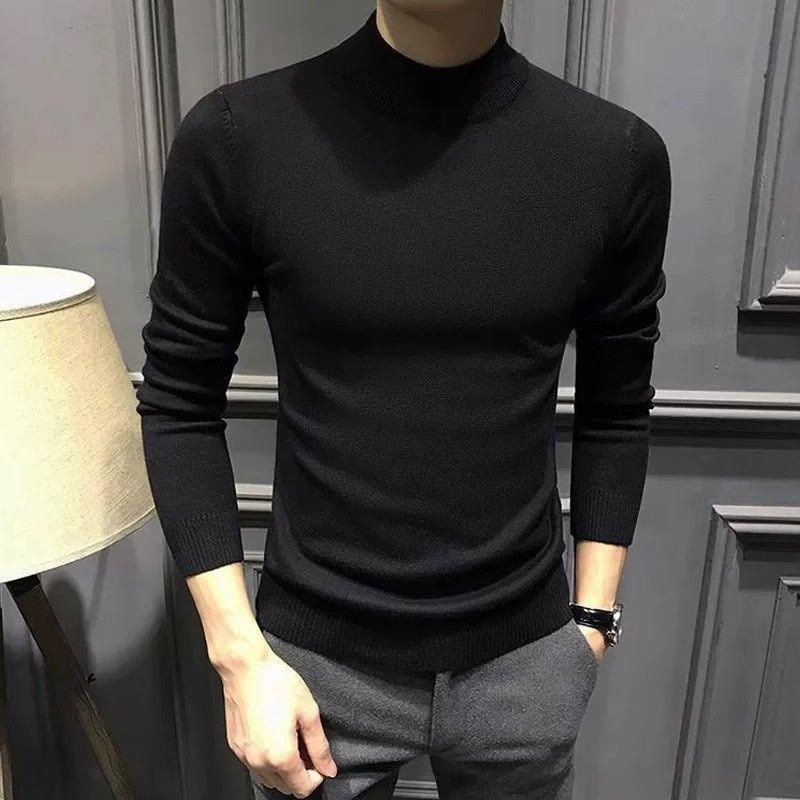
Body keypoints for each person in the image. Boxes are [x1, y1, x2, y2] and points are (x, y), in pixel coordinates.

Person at [135, 0, 670, 797]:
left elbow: (616, 409)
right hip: (312, 669)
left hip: (525, 664)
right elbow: (179, 403)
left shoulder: (613, 155)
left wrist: (590, 626)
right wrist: (239, 657)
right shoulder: (240, 137)